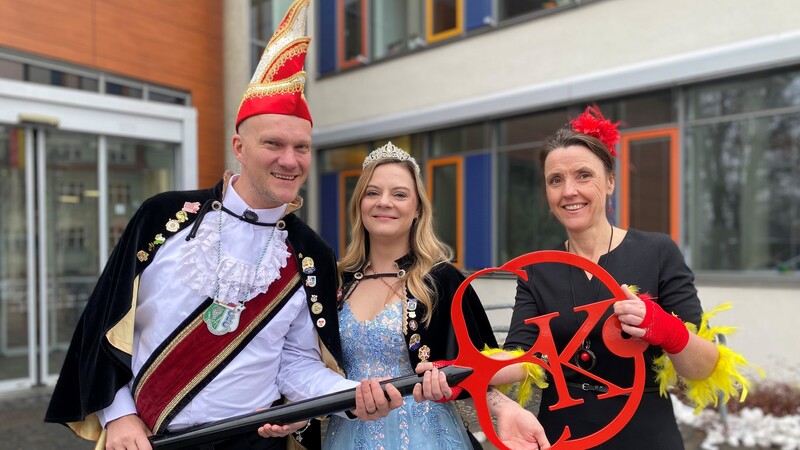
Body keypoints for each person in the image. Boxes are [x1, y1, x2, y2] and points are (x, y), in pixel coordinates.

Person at [44, 2, 409, 449]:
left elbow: (295, 364)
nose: (290, 160)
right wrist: (119, 415)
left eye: (301, 147)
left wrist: (353, 397)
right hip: (151, 439)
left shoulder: (311, 253)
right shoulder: (162, 217)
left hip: (255, 442)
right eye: (273, 143)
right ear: (239, 146)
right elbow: (107, 326)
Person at [503, 106, 749, 449]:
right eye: (555, 180)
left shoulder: (657, 252)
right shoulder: (537, 269)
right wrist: (460, 370)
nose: (568, 191)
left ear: (610, 182)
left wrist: (666, 330)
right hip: (562, 435)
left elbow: (703, 367)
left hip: (645, 433)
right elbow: (519, 357)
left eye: (583, 175)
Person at [322, 142, 551, 450]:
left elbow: (477, 367)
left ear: (417, 208)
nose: (384, 202)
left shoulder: (442, 280)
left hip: (427, 437)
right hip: (347, 437)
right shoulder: (336, 281)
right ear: (359, 203)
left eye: (399, 194)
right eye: (372, 192)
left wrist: (505, 407)